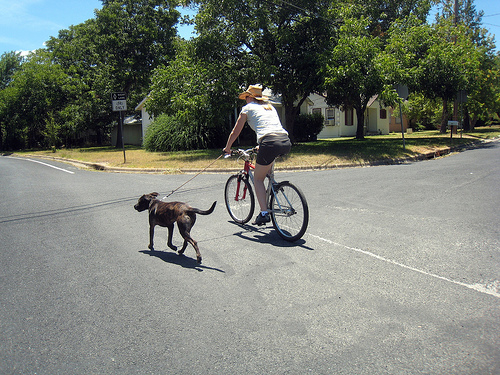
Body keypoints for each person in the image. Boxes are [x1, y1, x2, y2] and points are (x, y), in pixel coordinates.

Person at [223, 84, 291, 225]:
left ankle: (264, 213)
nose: (245, 100)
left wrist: (227, 148)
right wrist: (262, 145)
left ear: (250, 97)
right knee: (268, 174)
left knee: (258, 179)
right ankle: (272, 192)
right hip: (284, 141)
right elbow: (271, 127)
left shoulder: (247, 108)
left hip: (270, 143)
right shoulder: (269, 106)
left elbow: (235, 131)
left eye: (246, 97)